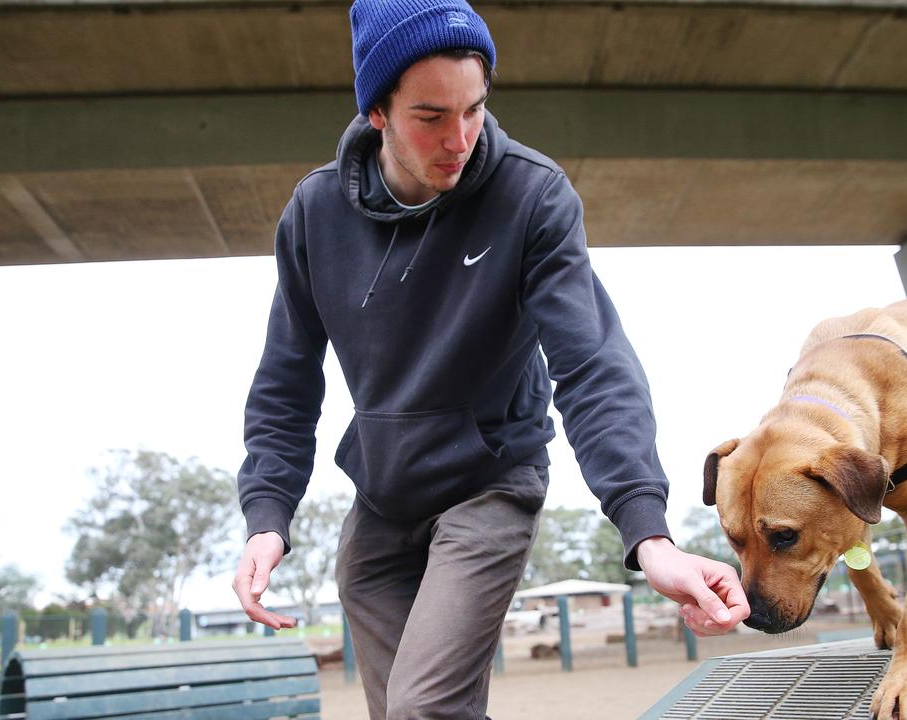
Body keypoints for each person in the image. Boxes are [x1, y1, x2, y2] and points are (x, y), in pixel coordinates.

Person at [232, 0, 750, 716]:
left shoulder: (530, 196)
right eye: (432, 116)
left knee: (422, 708)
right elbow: (286, 379)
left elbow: (594, 364)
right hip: (382, 497)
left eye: (474, 109)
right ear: (377, 113)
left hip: (489, 482)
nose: (461, 137)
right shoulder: (316, 214)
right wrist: (267, 514)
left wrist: (648, 532)